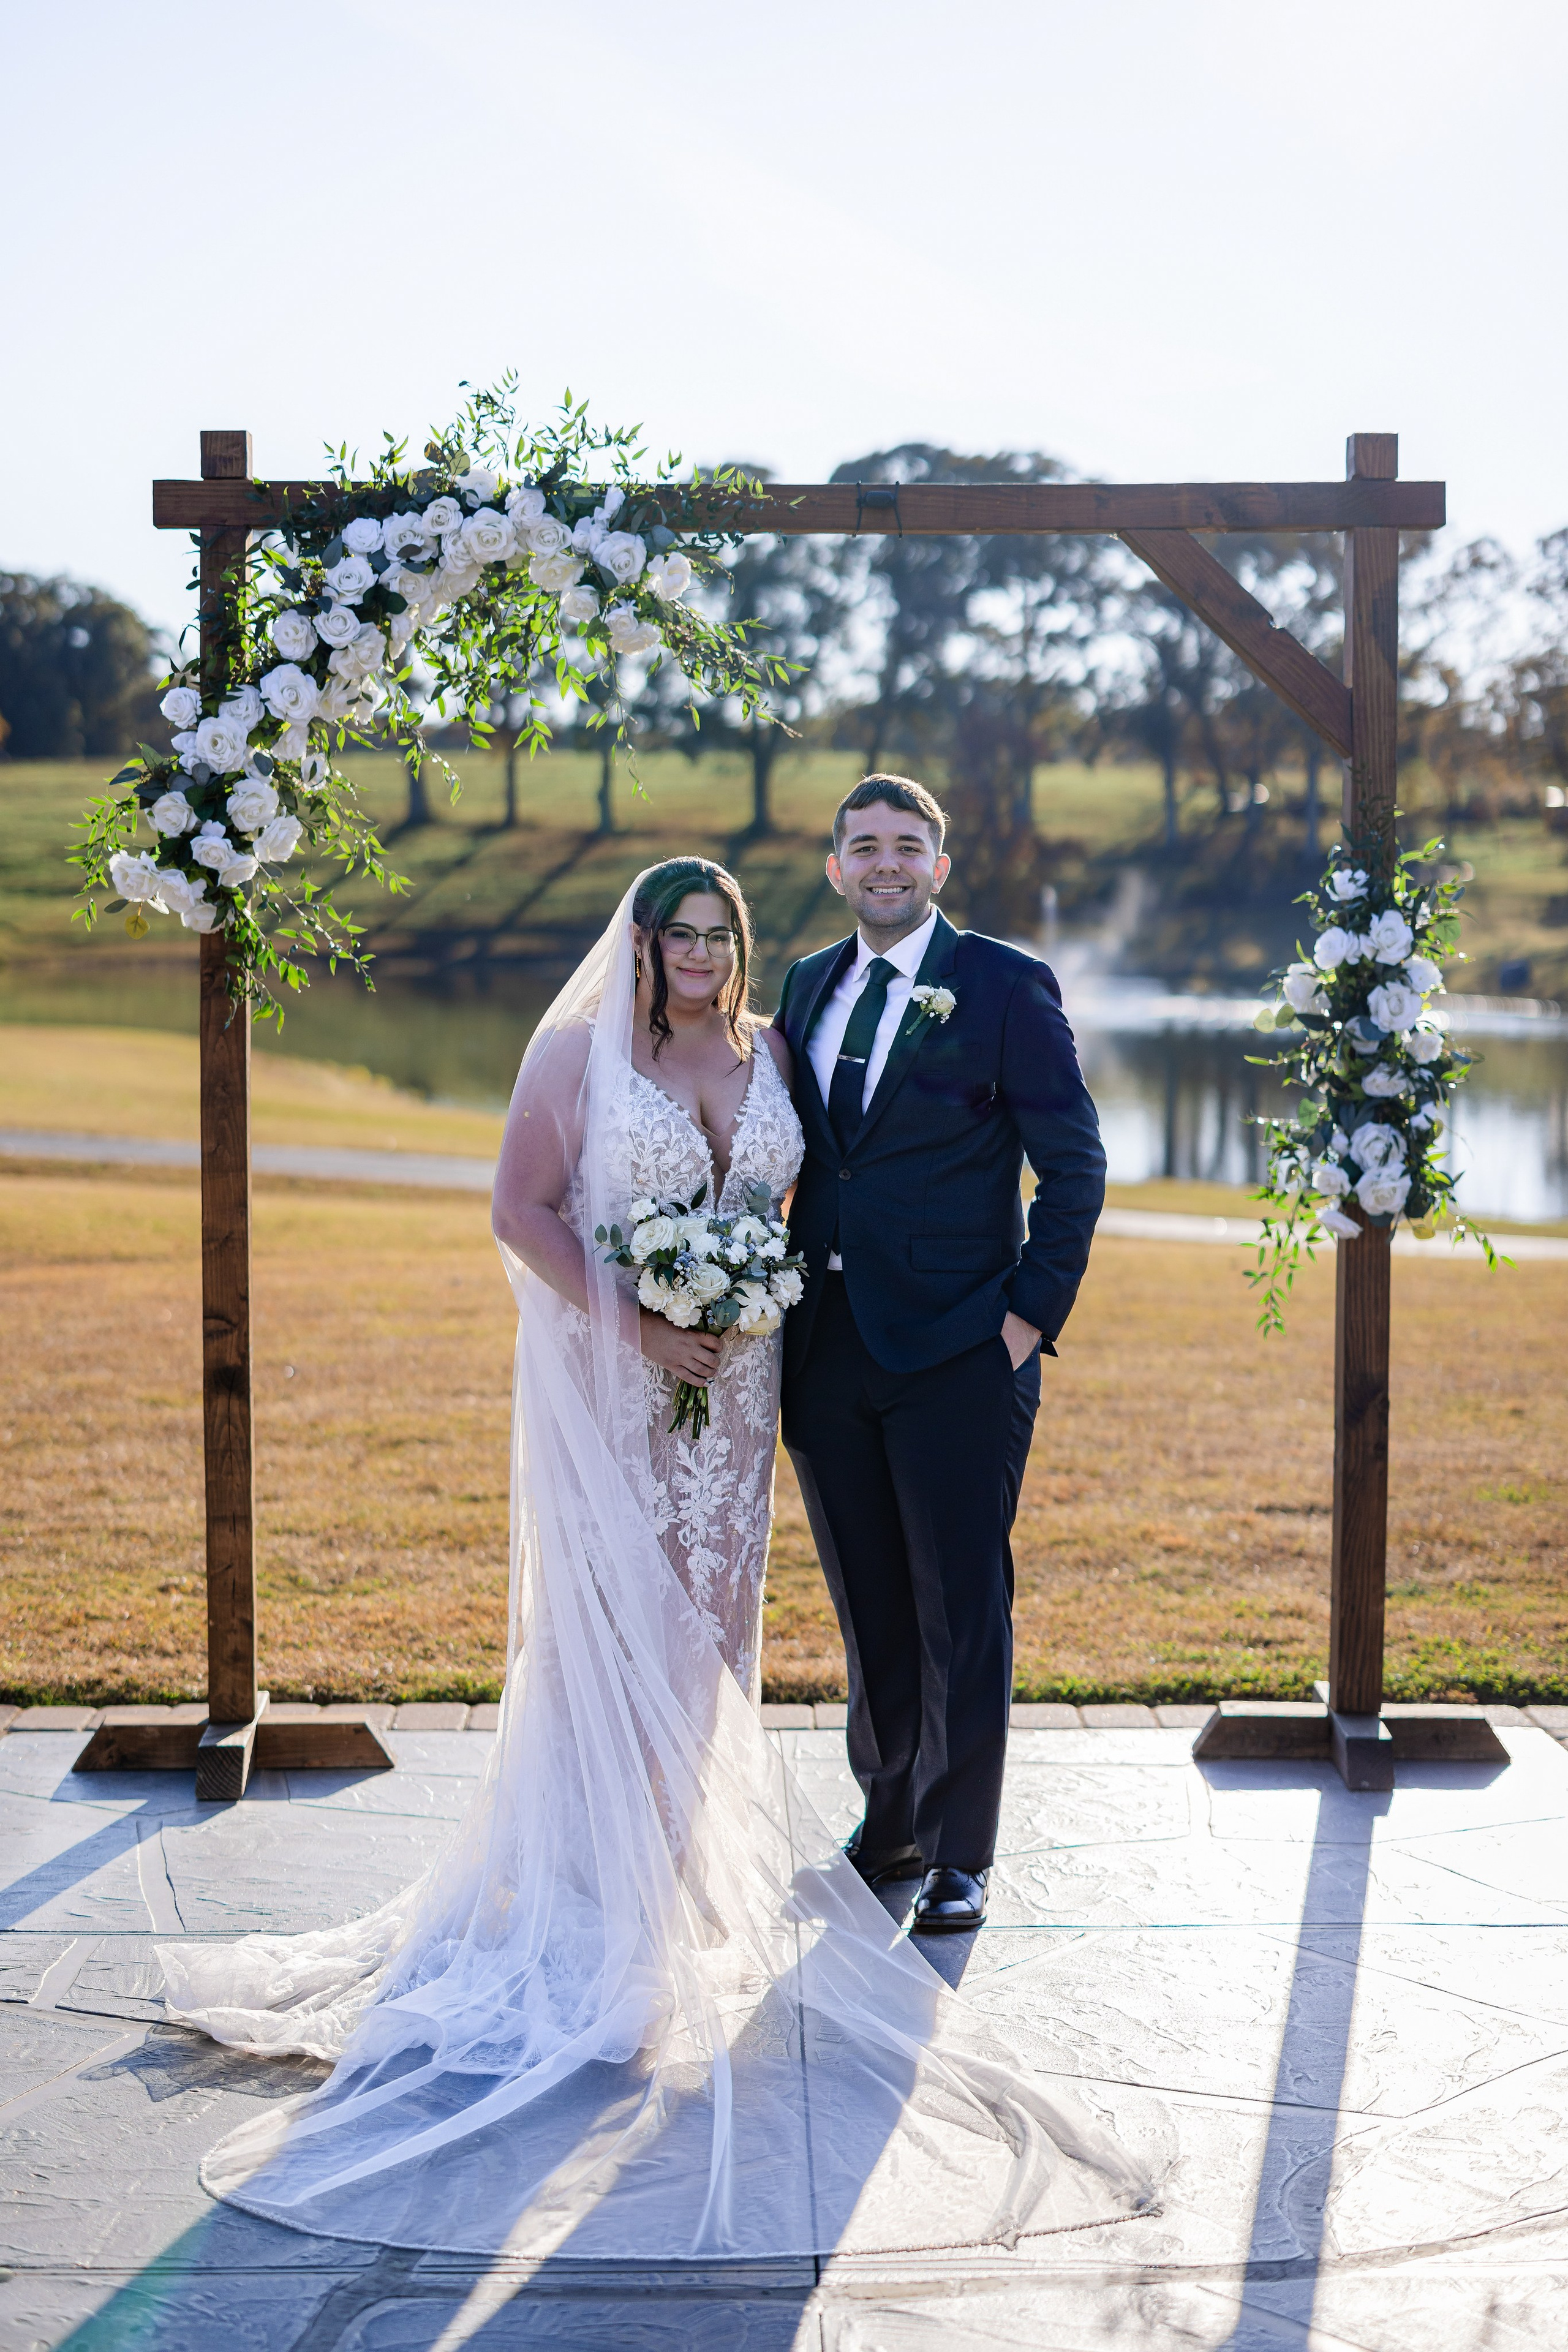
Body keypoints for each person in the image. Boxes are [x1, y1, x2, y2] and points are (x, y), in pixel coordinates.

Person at [156, 857, 1143, 2261]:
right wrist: (641, 1324)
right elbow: (522, 1213)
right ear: (640, 943)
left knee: (705, 1644)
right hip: (622, 1392)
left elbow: (834, 1196)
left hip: (741, 1397)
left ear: (741, 944)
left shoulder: (776, 1044)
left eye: (713, 933)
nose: (695, 951)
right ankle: (591, 1915)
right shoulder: (577, 1054)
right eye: (674, 933)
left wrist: (779, 1306)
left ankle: (678, 1883)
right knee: (611, 1629)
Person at [776, 776, 1106, 1937]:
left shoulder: (1007, 985)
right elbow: (821, 1164)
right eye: (863, 844)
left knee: (963, 1601)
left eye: (907, 846)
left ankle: (964, 1850)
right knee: (869, 1604)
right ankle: (895, 1817)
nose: (885, 863)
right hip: (823, 1350)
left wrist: (1025, 1321)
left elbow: (1076, 1166)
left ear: (939, 867)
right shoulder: (807, 986)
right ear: (834, 864)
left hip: (964, 1347)